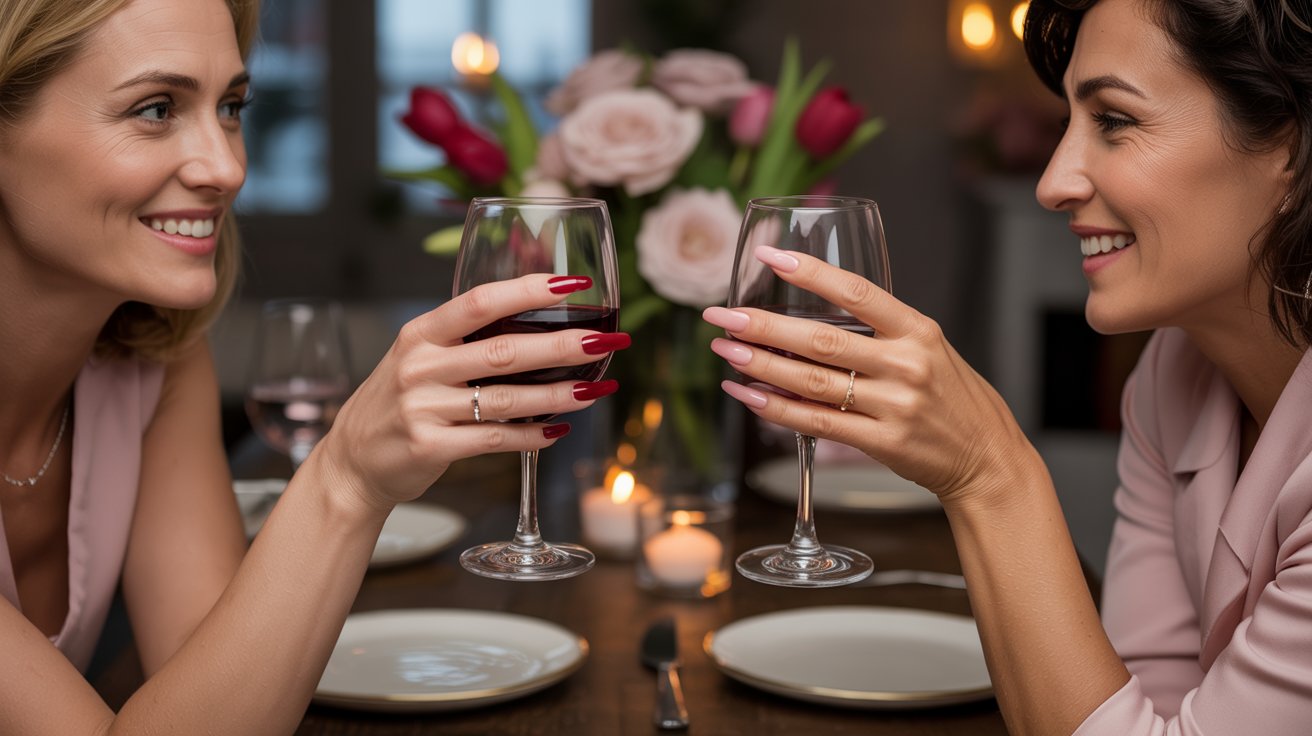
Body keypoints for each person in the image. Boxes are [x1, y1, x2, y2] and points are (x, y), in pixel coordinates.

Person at [0, 0, 626, 732]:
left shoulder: (155, 363)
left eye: (232, 105)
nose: (227, 167)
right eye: (156, 108)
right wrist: (344, 477)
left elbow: (219, 701)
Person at [705, 0, 1312, 733]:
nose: (1053, 182)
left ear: (1290, 144)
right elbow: (1136, 703)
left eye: (1115, 121)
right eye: (1066, 126)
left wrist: (991, 471)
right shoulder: (1172, 374)